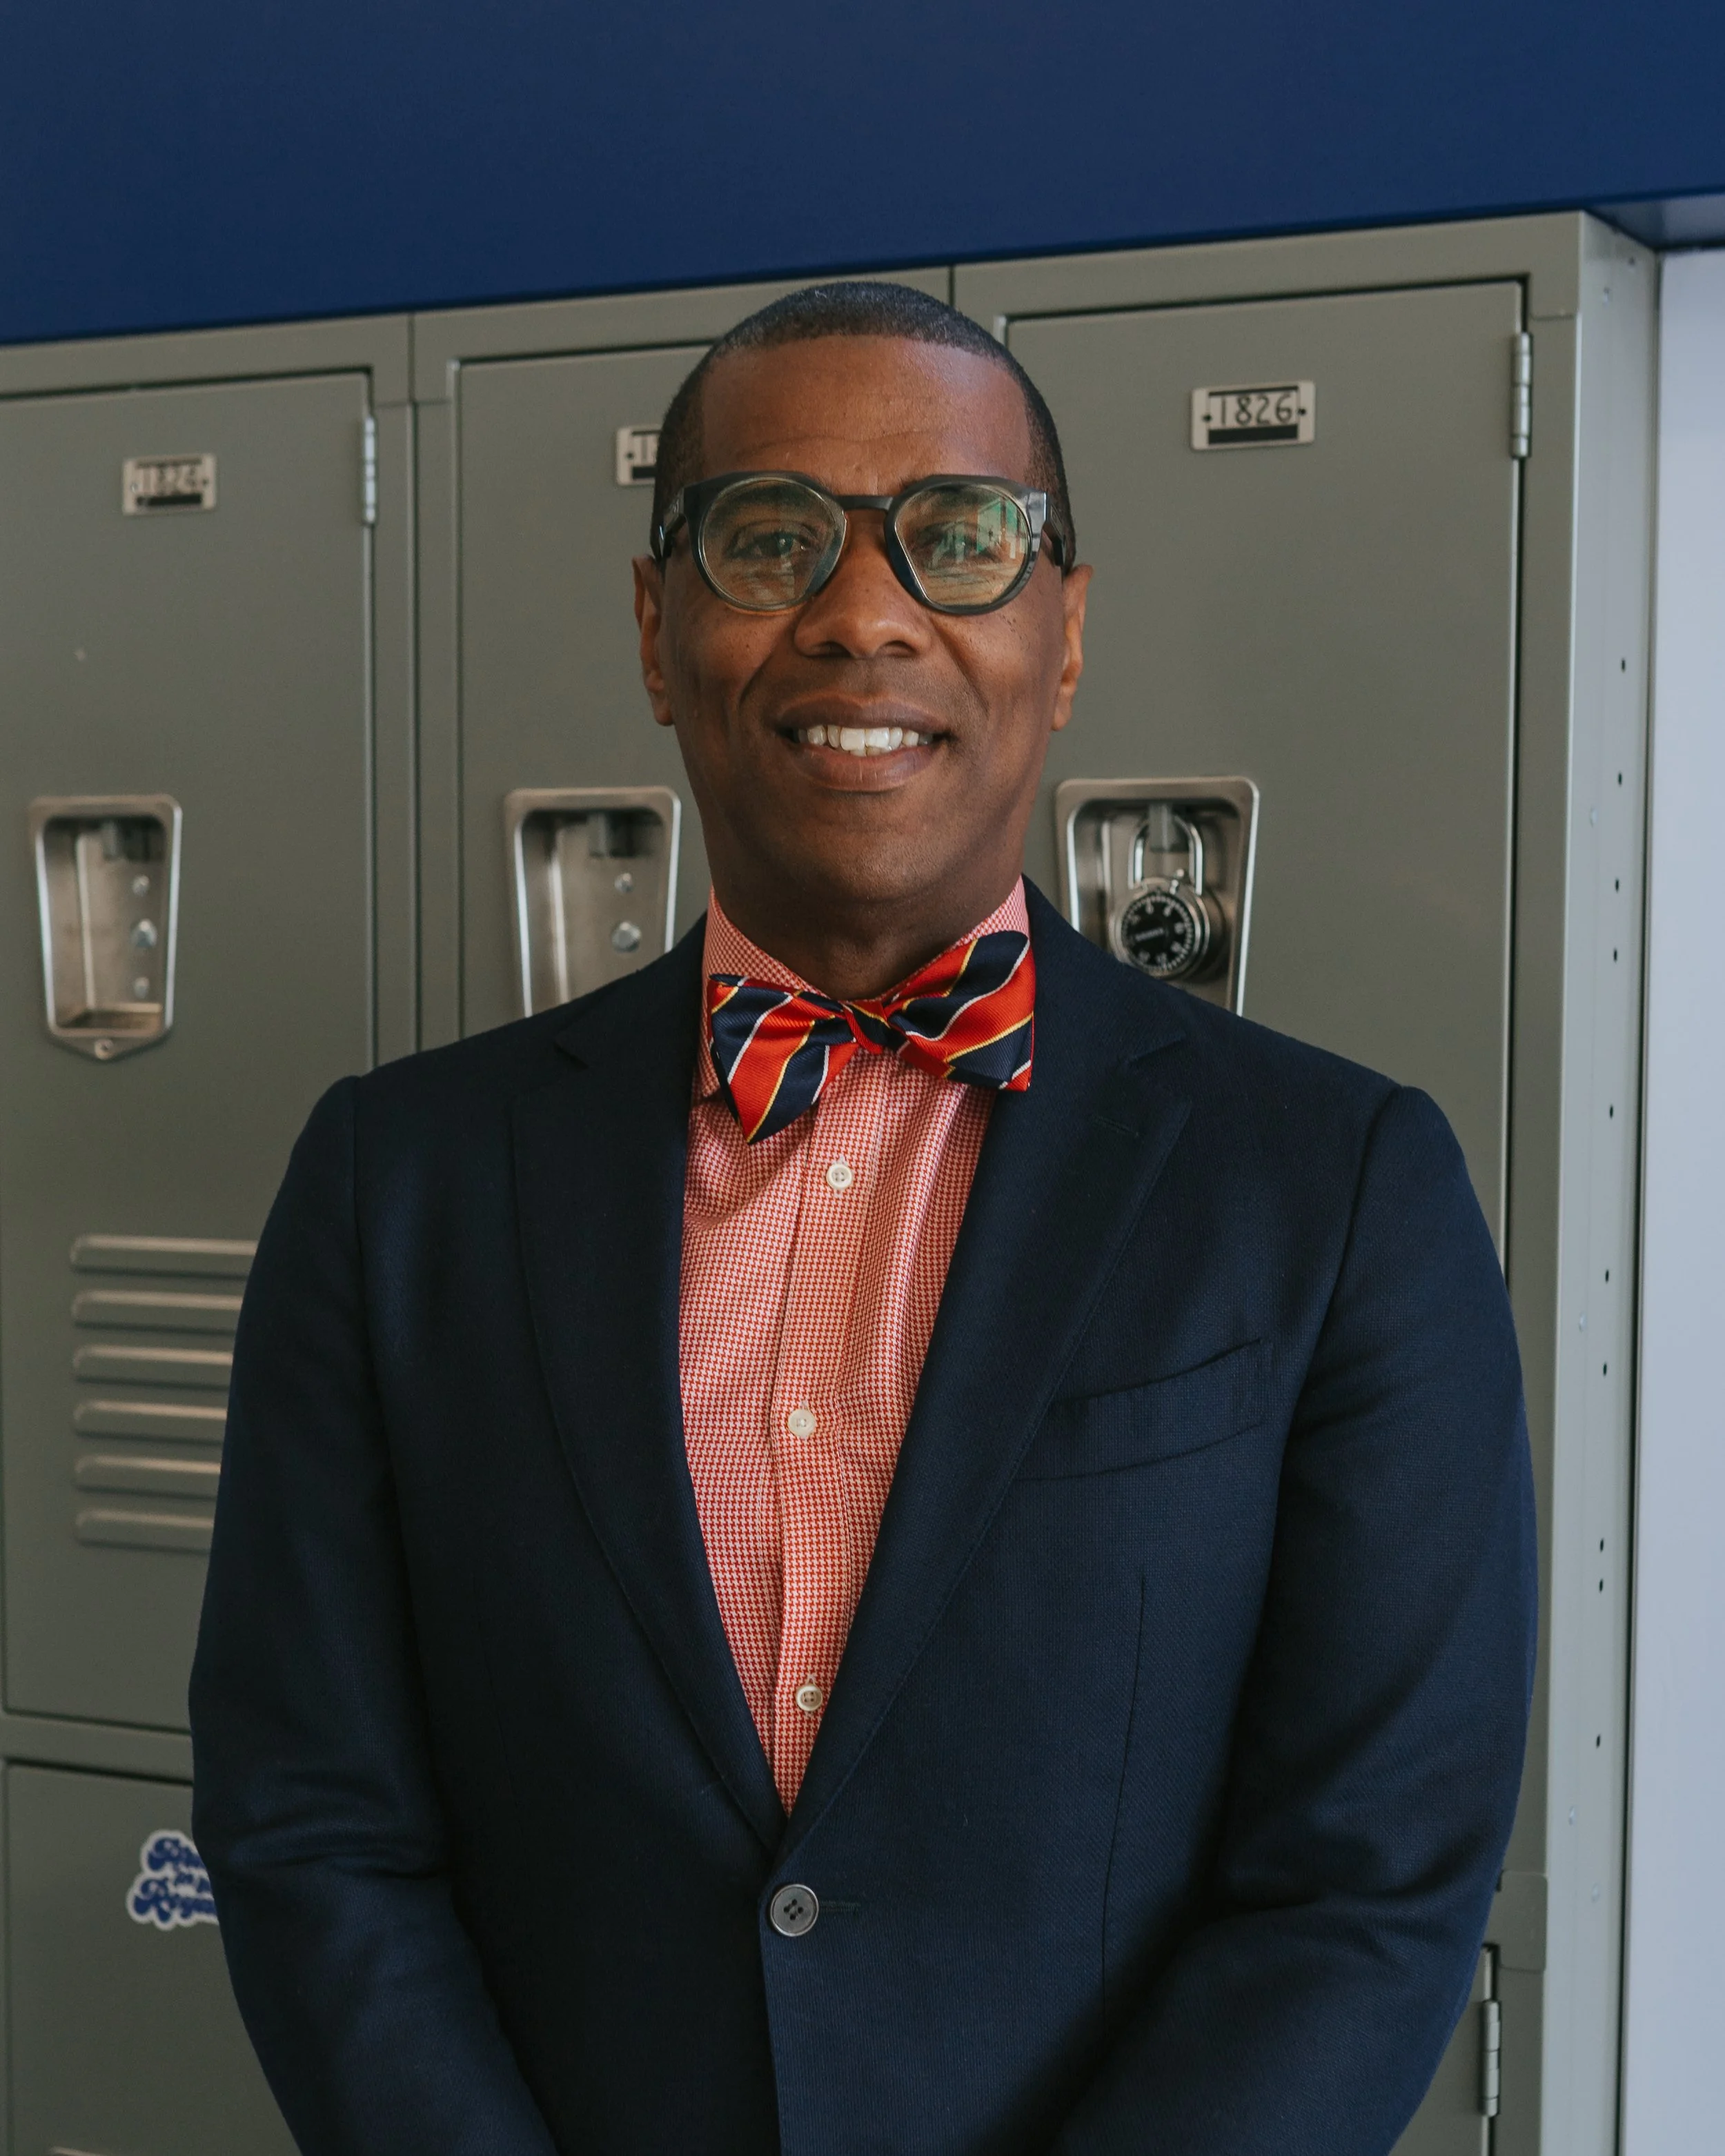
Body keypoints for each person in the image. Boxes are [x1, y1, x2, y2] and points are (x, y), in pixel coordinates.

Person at [190, 281, 1535, 2156]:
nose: (862, 611)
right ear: (657, 630)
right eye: (768, 538)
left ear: (1063, 639)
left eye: (958, 542)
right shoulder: (394, 1182)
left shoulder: (1333, 1187)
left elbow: (1364, 1879)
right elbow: (311, 1820)